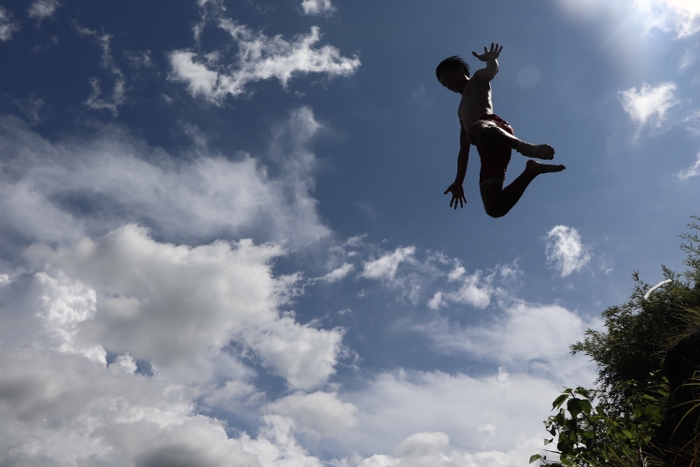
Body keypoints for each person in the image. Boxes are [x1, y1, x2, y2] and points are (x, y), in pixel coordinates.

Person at [436, 43, 565, 218]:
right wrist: (459, 181)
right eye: (444, 84)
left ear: (459, 70)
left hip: (493, 127)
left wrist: (491, 60)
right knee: (494, 209)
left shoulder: (476, 80)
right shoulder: (460, 111)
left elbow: (491, 72)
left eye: (448, 77)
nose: (448, 84)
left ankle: (525, 147)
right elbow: (464, 148)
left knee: (475, 130)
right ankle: (531, 171)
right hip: (485, 147)